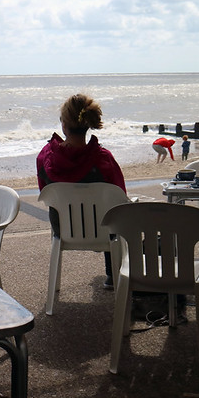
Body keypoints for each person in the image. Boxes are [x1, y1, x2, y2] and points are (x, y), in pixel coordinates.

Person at [37, 94, 125, 289]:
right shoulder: (103, 159)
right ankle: (113, 275)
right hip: (102, 229)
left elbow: (45, 192)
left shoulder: (46, 157)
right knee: (114, 214)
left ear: (64, 125)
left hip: (63, 228)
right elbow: (120, 197)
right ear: (88, 124)